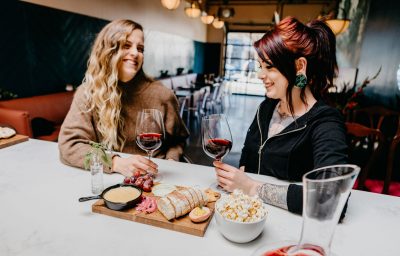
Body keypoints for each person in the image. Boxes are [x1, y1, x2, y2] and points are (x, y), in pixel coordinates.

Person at [213, 17, 348, 215]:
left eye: (269, 67)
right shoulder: (267, 108)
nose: (260, 74)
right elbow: (248, 154)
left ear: (300, 66)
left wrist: (251, 188)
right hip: (252, 216)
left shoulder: (325, 122)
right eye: (260, 66)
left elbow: (332, 198)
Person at [58, 19, 189, 177]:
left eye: (140, 48)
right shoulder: (88, 93)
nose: (135, 53)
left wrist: (171, 160)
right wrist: (114, 162)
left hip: (155, 178)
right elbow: (70, 145)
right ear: (109, 50)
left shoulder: (162, 95)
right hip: (108, 180)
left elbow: (178, 140)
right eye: (126, 45)